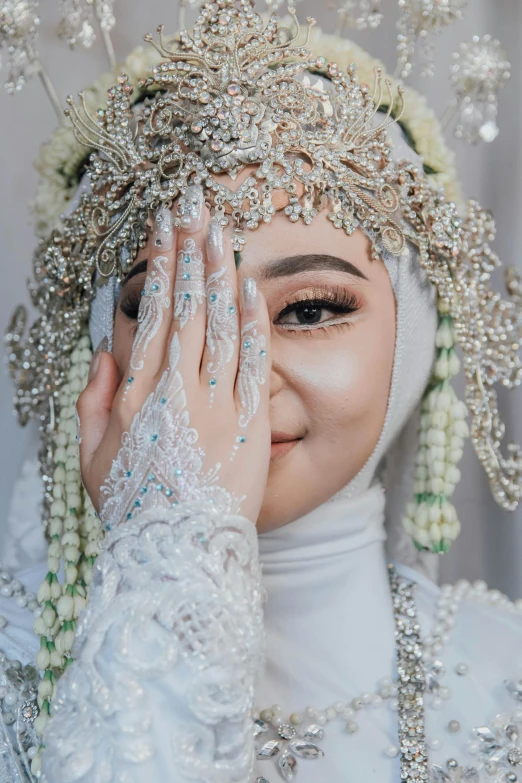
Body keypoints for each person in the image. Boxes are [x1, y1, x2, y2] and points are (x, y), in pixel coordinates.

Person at [1, 2, 522, 781]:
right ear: (97, 345)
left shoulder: (504, 682)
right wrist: (172, 547)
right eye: (170, 309)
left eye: (311, 310)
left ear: (413, 337)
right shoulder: (19, 672)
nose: (234, 372)